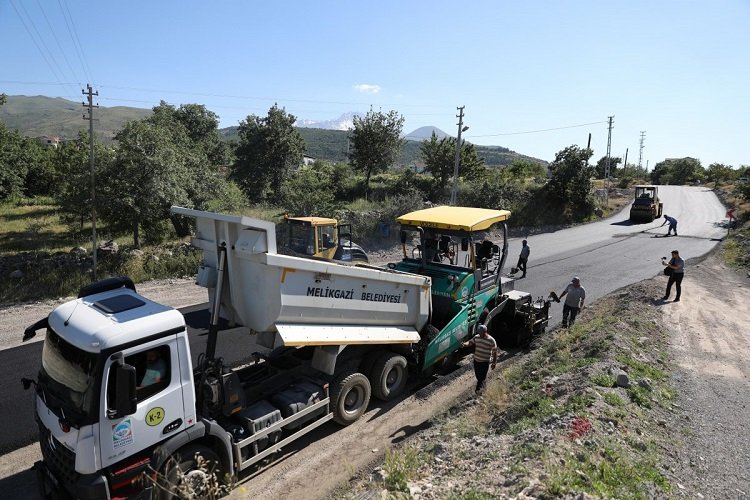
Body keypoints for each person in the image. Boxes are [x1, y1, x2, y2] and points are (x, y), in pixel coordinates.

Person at [461, 324, 498, 392]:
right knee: (478, 376)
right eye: (478, 332)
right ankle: (484, 388)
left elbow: (495, 352)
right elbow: (470, 342)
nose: (478, 333)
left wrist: (494, 363)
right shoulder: (476, 337)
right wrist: (464, 344)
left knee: (482, 377)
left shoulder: (491, 340)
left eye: (480, 332)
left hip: (485, 362)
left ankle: (478, 391)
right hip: (476, 361)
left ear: (485, 332)